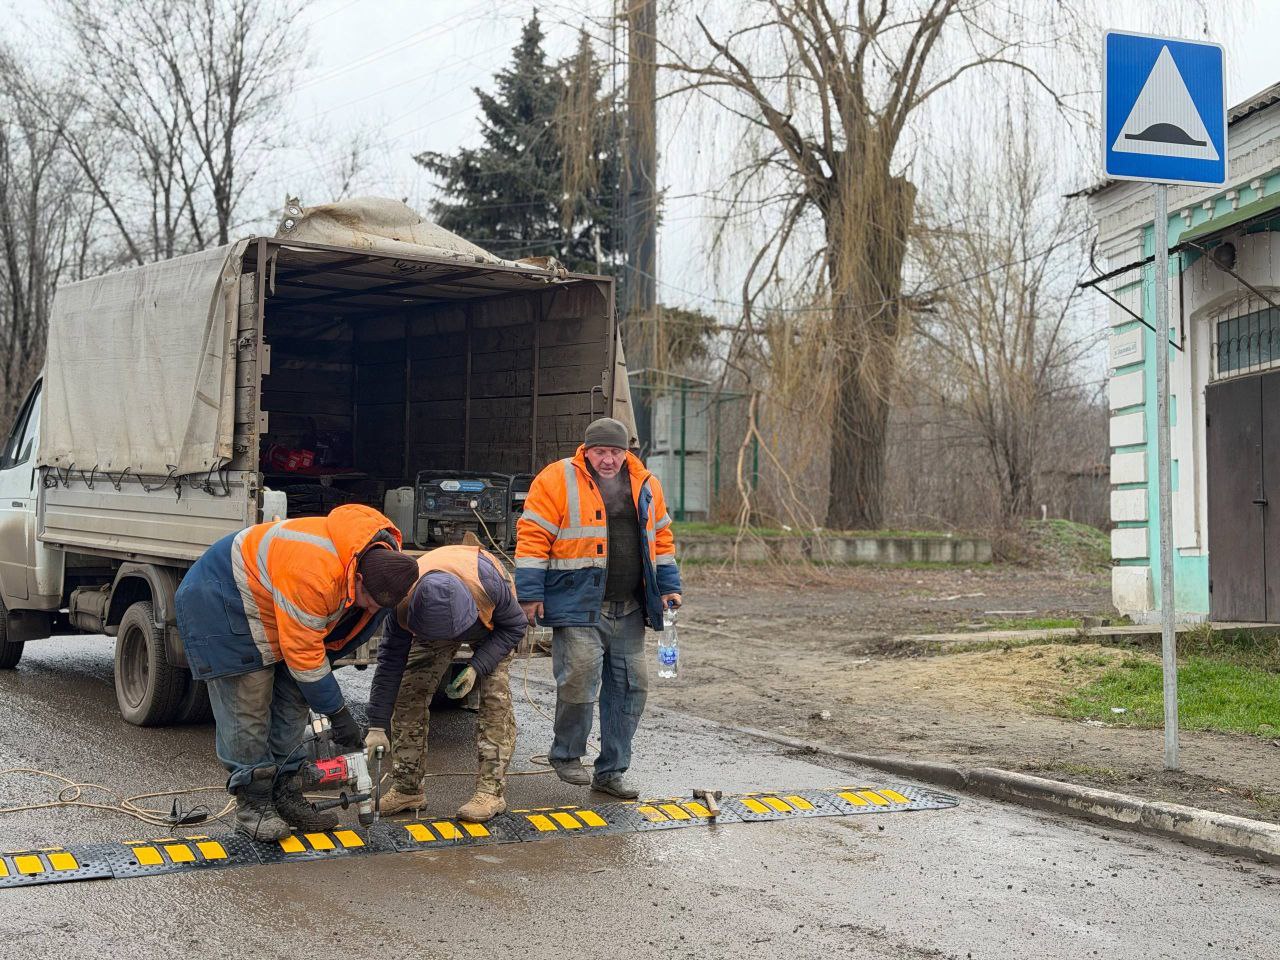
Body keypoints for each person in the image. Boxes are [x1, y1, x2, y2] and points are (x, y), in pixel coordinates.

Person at [175, 504, 419, 840]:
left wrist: (331, 705)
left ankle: (285, 792)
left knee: (293, 700)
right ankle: (253, 805)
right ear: (358, 577)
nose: (373, 609)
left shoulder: (383, 565)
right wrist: (338, 714)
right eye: (371, 601)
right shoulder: (316, 572)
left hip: (272, 604)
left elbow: (316, 652)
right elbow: (304, 655)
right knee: (249, 702)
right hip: (222, 599)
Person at [514, 417, 682, 798]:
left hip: (631, 609)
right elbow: (532, 537)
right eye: (601, 452)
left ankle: (611, 772)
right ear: (586, 451)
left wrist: (669, 587)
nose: (608, 460)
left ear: (627, 453)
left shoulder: (646, 484)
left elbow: (662, 538)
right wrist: (529, 593)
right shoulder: (557, 479)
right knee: (578, 679)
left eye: (616, 452)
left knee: (631, 689)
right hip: (579, 603)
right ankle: (567, 754)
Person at [363, 543, 526, 823]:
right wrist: (376, 725)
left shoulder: (490, 586)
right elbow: (391, 665)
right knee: (408, 692)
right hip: (432, 618)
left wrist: (477, 667)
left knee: (494, 701)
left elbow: (514, 627)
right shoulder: (404, 601)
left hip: (493, 627)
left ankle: (491, 792)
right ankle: (407, 787)